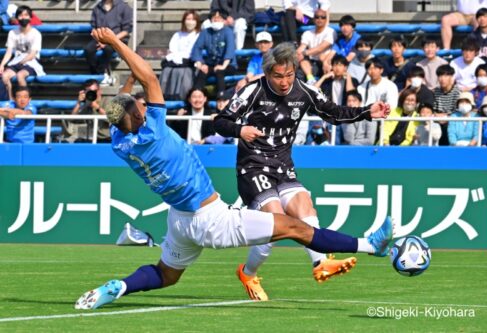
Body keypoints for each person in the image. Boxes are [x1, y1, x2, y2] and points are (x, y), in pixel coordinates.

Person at [74, 28, 394, 310]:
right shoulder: (154, 129)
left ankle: (120, 286)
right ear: (141, 116)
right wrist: (115, 42)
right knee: (296, 227)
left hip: (179, 221)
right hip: (211, 218)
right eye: (141, 105)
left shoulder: (119, 141)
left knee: (166, 275)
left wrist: (122, 70)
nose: (144, 103)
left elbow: (122, 105)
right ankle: (371, 245)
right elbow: (150, 78)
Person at [213, 43, 391, 301]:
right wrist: (239, 130)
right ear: (267, 73)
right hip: (252, 166)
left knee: (305, 208)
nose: (284, 82)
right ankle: (248, 273)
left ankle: (320, 263)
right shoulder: (253, 90)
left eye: (289, 75)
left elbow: (333, 112)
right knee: (274, 223)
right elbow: (219, 121)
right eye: (277, 76)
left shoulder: (305, 91)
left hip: (283, 167)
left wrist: (366, 112)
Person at [0, 5, 44, 100]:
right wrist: (2, 65)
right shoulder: (12, 33)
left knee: (20, 75)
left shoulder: (36, 33)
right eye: (20, 15)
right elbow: (9, 52)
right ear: (17, 18)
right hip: (16, 61)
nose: (23, 17)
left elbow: (32, 54)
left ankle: (24, 100)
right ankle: (11, 100)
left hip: (31, 62)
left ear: (30, 17)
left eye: (25, 15)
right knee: (4, 76)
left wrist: (22, 62)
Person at [85, 0, 133, 85]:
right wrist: (100, 39)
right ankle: (96, 74)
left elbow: (126, 31)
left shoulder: (124, 7)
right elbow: (93, 27)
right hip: (100, 38)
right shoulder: (97, 8)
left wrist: (110, 40)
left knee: (108, 49)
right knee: (88, 50)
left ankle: (102, 73)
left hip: (117, 39)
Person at [191, 10, 237, 99]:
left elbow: (230, 50)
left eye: (219, 18)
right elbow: (197, 47)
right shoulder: (205, 32)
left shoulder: (228, 32)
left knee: (219, 72)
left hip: (228, 64)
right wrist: (200, 64)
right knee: (202, 72)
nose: (216, 20)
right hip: (211, 63)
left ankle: (221, 97)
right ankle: (196, 95)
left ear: (224, 20)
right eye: (214, 18)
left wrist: (223, 66)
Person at [159, 10, 200, 101]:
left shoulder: (199, 35)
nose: (190, 22)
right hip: (175, 61)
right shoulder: (177, 35)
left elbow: (194, 51)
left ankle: (182, 98)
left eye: (193, 19)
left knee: (183, 72)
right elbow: (172, 49)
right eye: (188, 19)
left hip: (190, 63)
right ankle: (165, 97)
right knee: (166, 71)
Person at [296, 8, 334, 85]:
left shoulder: (331, 32)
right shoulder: (307, 33)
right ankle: (310, 80)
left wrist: (303, 53)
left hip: (324, 62)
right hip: (310, 62)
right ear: (313, 19)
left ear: (326, 19)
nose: (320, 19)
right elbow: (301, 48)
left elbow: (320, 49)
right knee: (299, 70)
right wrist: (298, 54)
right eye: (317, 17)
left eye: (323, 17)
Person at [433, 64, 462, 146]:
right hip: (438, 120)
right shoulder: (436, 91)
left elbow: (457, 111)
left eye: (446, 76)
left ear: (451, 77)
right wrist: (437, 115)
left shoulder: (457, 92)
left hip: (452, 120)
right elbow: (434, 108)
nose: (442, 79)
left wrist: (446, 117)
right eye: (440, 76)